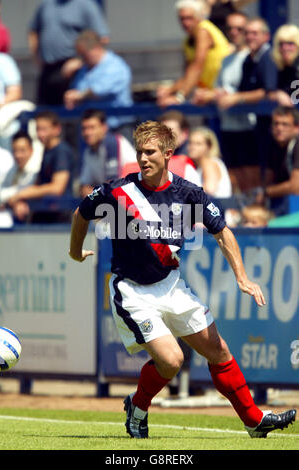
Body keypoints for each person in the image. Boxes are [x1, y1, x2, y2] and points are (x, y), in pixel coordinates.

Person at [69, 120, 296, 439]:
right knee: (172, 361)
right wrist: (75, 252)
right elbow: (81, 214)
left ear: (168, 154)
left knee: (219, 352)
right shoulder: (118, 191)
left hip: (171, 285)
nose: (143, 158)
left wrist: (242, 278)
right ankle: (138, 405)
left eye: (150, 152)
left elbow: (223, 232)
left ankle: (254, 421)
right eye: (139, 152)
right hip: (131, 290)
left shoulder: (188, 193)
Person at [192, 11, 254, 192]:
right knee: (235, 175)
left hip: (249, 125)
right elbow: (220, 89)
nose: (234, 32)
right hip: (228, 125)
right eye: (230, 28)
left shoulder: (251, 57)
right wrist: (206, 94)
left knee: (250, 174)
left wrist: (214, 95)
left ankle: (254, 215)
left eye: (239, 28)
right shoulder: (226, 59)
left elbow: (245, 90)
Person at [214, 17, 278, 191]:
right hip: (253, 126)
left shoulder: (267, 56)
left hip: (267, 126)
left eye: (254, 33)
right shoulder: (250, 59)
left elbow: (268, 91)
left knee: (258, 175)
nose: (250, 37)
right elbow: (243, 89)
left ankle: (259, 212)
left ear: (266, 36)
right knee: (241, 174)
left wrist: (236, 98)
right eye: (248, 33)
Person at [28, 0, 110, 106]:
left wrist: (80, 61)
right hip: (48, 68)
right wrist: (36, 58)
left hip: (73, 70)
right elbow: (33, 31)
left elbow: (103, 38)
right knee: (45, 112)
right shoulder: (46, 4)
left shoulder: (86, 5)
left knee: (68, 112)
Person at [156, 0, 230, 107]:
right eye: (182, 18)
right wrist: (169, 89)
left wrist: (179, 97)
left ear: (199, 17)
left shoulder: (203, 30)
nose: (185, 23)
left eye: (189, 18)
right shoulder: (187, 41)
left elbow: (197, 66)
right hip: (207, 93)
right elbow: (188, 75)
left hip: (222, 92)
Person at [7, 111, 74, 223]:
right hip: (45, 215)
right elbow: (41, 183)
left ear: (57, 129)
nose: (40, 134)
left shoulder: (61, 151)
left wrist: (22, 194)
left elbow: (57, 188)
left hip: (59, 219)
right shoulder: (46, 150)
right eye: (38, 129)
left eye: (44, 129)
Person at [63, 30, 133, 131]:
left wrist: (80, 96)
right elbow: (77, 90)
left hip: (117, 128)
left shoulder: (115, 65)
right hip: (92, 130)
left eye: (84, 54)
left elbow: (100, 90)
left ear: (96, 48)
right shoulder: (84, 70)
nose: (82, 58)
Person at [79, 109, 137, 199]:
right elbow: (84, 187)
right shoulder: (88, 151)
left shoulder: (112, 142)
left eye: (92, 127)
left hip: (134, 198)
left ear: (104, 127)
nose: (87, 132)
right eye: (84, 128)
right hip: (116, 200)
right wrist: (91, 194)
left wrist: (92, 194)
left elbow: (111, 185)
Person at [255, 106, 299, 216]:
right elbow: (268, 181)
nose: (279, 128)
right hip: (284, 205)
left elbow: (295, 187)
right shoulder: (272, 147)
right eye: (276, 124)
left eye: (285, 124)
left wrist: (265, 192)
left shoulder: (297, 145)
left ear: (296, 128)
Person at [0, 130, 42, 224]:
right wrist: (15, 202)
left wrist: (15, 198)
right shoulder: (13, 169)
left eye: (22, 150)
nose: (18, 155)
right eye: (15, 151)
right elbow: (1, 193)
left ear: (31, 150)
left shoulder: (37, 170)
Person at [188, 126, 232, 197]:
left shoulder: (209, 163)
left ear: (209, 147)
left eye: (198, 144)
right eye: (190, 143)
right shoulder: (202, 165)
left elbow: (210, 190)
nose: (192, 147)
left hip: (218, 206)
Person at [269, 24, 299, 107]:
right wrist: (278, 94)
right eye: (281, 44)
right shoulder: (278, 67)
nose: (285, 48)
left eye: (290, 43)